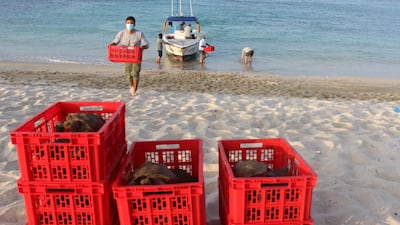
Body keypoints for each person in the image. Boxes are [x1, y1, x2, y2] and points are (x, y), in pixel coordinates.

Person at [111, 16, 149, 96]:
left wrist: (143, 47)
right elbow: (115, 41)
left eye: (131, 23)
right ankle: (131, 86)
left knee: (135, 73)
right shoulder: (121, 33)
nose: (129, 24)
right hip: (126, 56)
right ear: (125, 24)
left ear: (134, 24)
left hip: (136, 56)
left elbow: (146, 43)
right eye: (128, 23)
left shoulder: (139, 33)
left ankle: (135, 89)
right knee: (128, 74)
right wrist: (112, 45)